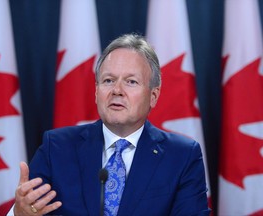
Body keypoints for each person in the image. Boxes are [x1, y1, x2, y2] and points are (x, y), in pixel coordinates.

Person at [12, 33, 210, 215]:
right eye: (108, 80)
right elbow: (30, 208)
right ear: (97, 92)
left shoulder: (182, 156)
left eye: (131, 82)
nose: (117, 90)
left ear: (153, 96)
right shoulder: (56, 148)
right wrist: (19, 214)